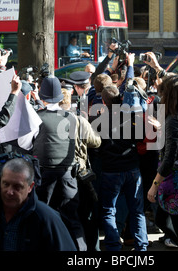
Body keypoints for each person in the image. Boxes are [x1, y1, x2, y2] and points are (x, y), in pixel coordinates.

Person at [32, 76, 87, 251]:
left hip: (44, 173)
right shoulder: (72, 117)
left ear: (42, 96)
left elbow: (26, 144)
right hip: (67, 174)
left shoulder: (37, 118)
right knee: (72, 218)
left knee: (42, 216)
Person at [146, 74, 178, 251]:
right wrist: (161, 128)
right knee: (163, 221)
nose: (160, 98)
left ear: (169, 95)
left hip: (177, 182)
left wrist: (154, 185)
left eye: (162, 94)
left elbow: (170, 158)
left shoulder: (174, 120)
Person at [98, 73, 149, 251]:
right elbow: (142, 138)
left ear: (103, 102)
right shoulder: (131, 117)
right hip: (132, 168)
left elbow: (96, 144)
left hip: (111, 170)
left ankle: (113, 247)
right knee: (137, 210)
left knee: (109, 209)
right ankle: (141, 246)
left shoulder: (99, 120)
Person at [59, 88, 102, 251]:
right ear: (70, 102)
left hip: (60, 174)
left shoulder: (48, 120)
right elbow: (96, 142)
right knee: (88, 215)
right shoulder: (79, 121)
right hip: (80, 174)